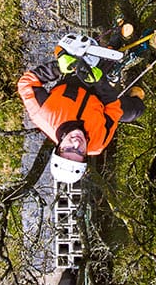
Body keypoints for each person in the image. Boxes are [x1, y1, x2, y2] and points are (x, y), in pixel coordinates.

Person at [17, 42, 145, 184]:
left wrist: (57, 68)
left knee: (109, 50)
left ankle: (118, 37)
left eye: (69, 149)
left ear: (59, 147)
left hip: (74, 79)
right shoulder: (98, 143)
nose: (77, 144)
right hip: (101, 98)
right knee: (136, 111)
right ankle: (137, 80)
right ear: (86, 155)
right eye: (79, 152)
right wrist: (100, 82)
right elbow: (113, 110)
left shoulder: (44, 115)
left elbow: (26, 84)